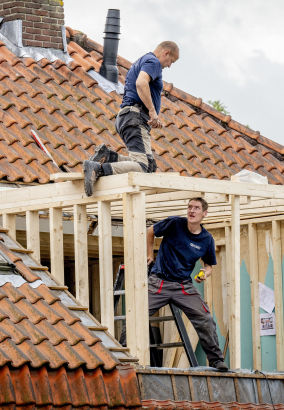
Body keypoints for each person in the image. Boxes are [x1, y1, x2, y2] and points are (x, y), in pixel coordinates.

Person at [83, 41, 179, 196]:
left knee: (149, 166)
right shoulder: (153, 61)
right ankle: (98, 168)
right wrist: (153, 112)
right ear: (166, 53)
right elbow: (141, 83)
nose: (169, 65)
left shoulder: (142, 61)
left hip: (128, 116)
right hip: (136, 117)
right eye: (171, 61)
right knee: (142, 166)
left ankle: (108, 156)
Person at [147, 198, 228, 371]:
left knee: (205, 318)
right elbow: (150, 231)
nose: (191, 211)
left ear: (204, 213)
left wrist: (204, 274)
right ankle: (123, 357)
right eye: (190, 207)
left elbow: (208, 266)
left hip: (183, 286)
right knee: (136, 315)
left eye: (196, 208)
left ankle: (216, 360)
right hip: (158, 282)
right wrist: (149, 256)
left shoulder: (206, 239)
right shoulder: (175, 223)